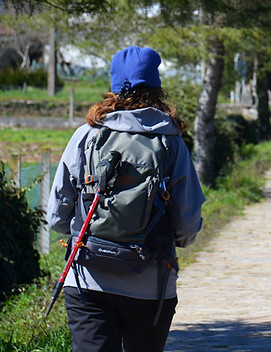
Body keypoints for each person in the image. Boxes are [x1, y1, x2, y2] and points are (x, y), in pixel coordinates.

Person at [47, 46, 205, 352]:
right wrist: (176, 240)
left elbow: (56, 217)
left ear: (114, 86)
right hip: (151, 283)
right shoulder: (171, 142)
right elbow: (187, 220)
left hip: (87, 279)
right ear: (157, 87)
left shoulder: (87, 136)